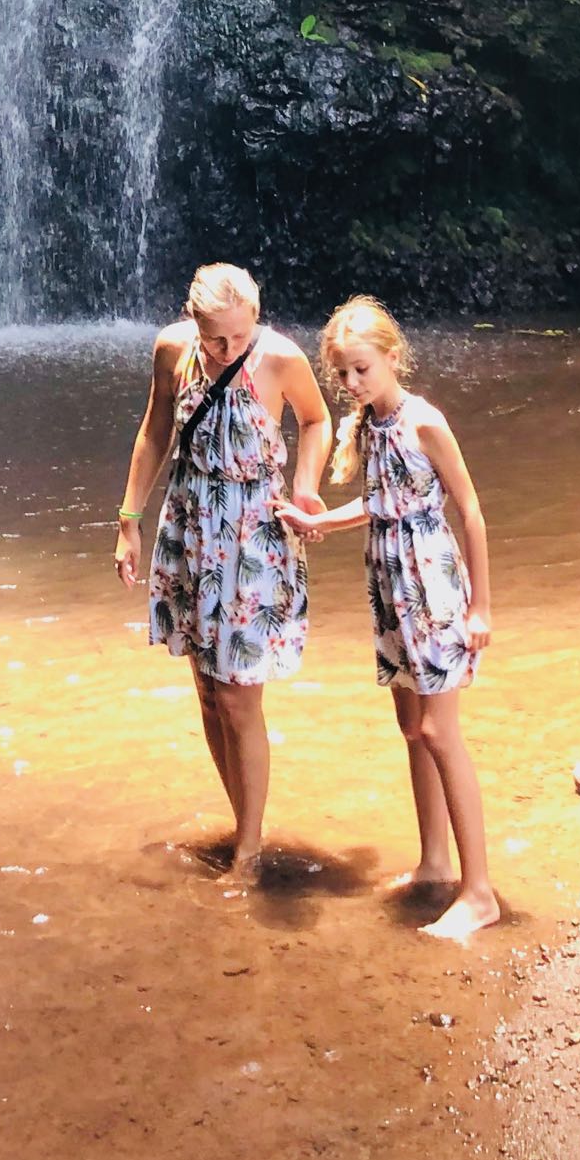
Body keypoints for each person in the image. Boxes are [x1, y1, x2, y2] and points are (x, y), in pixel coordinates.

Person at [279, 296, 498, 940]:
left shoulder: (424, 421)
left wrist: (481, 607)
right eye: (343, 373)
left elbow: (471, 511)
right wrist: (321, 521)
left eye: (362, 370)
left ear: (392, 358)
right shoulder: (372, 424)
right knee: (411, 727)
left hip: (432, 587)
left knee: (439, 731)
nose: (352, 383)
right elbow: (382, 504)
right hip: (390, 587)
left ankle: (479, 892)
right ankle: (434, 865)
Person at [115, 262, 330, 879]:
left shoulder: (280, 358)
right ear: (193, 321)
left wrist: (307, 486)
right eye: (215, 338)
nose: (228, 349)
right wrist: (129, 519)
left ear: (255, 318)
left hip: (254, 533)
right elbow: (155, 429)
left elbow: (316, 419)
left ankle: (250, 854)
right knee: (209, 693)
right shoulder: (172, 350)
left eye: (239, 335)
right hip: (190, 523)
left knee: (239, 696)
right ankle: (244, 825)